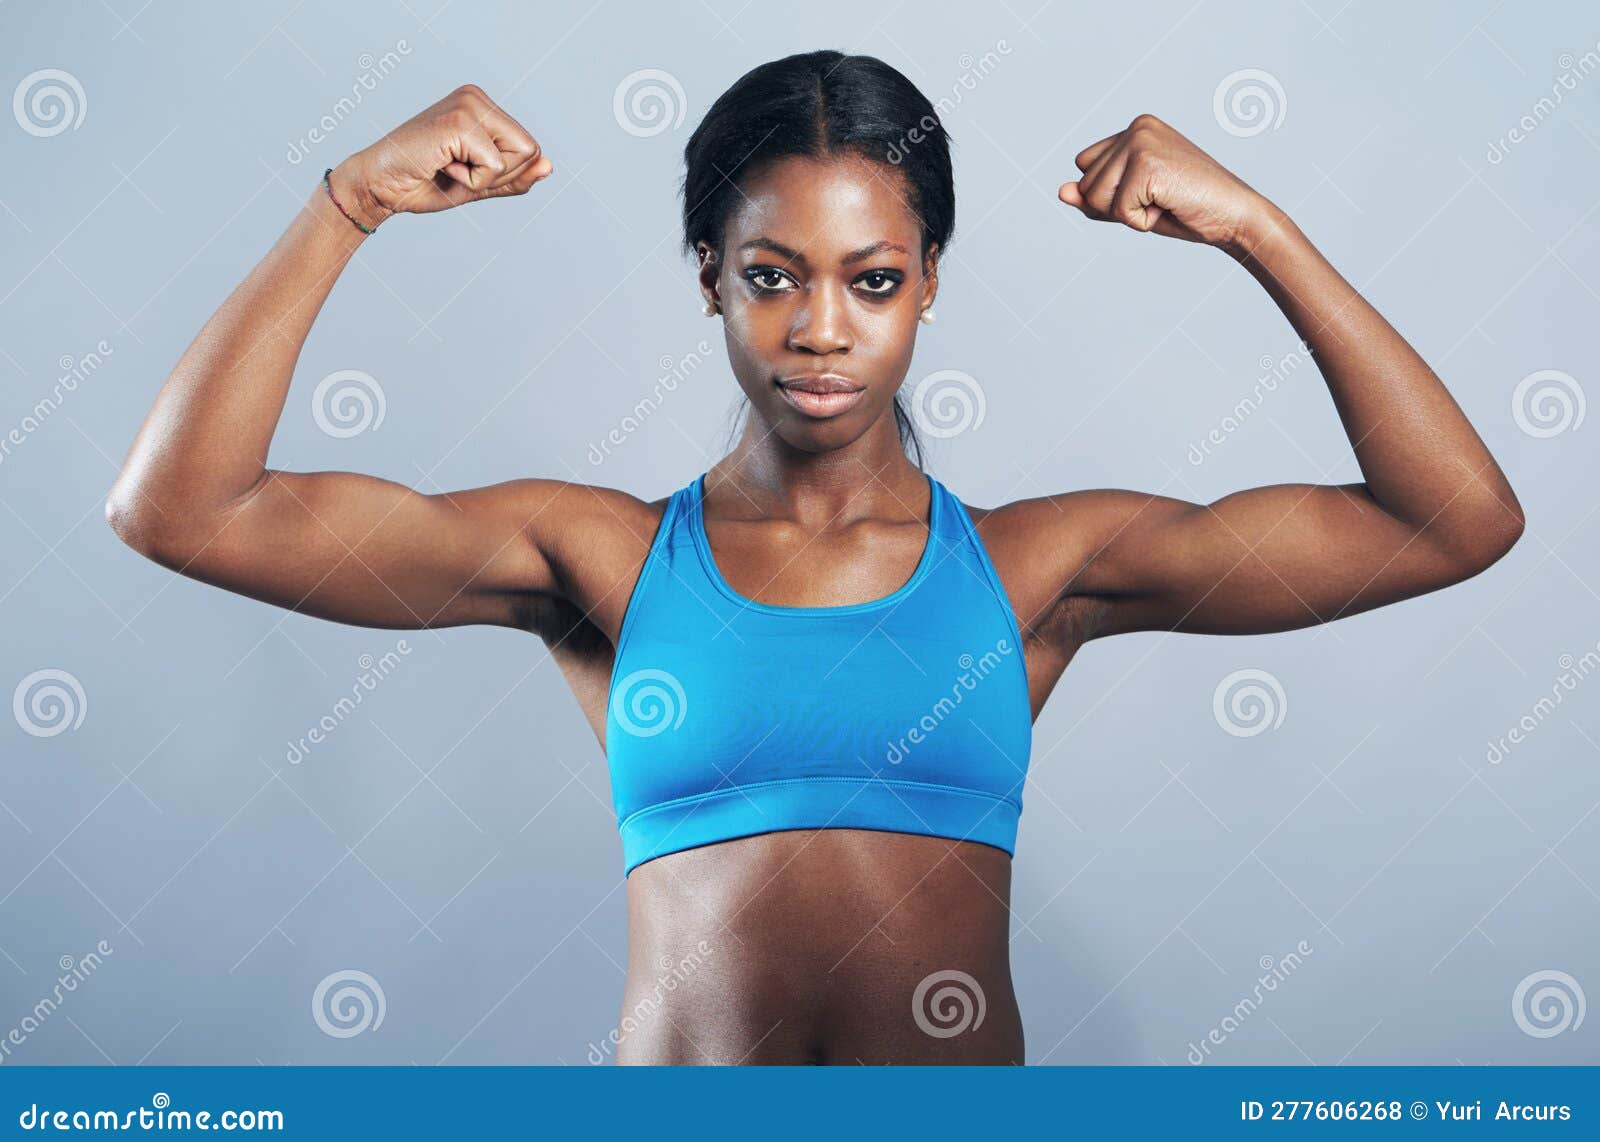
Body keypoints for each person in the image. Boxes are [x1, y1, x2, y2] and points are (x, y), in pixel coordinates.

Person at [104, 50, 1524, 1065]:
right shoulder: (592, 557)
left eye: (875, 279)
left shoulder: (1040, 570)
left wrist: (1255, 229)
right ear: (711, 277)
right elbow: (183, 510)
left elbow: (1449, 520)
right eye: (773, 275)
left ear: (929, 289)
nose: (823, 329)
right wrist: (347, 202)